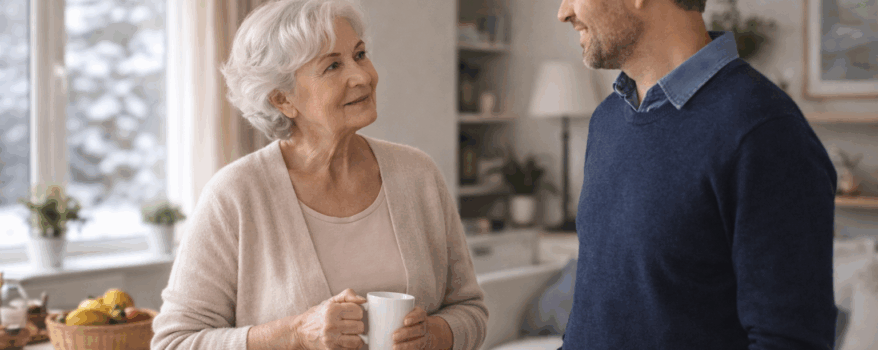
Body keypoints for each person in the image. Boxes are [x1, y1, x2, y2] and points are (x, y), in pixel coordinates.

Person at [150, 1, 488, 349]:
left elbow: (470, 310)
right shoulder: (235, 194)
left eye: (359, 55)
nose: (362, 76)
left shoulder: (418, 175)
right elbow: (174, 342)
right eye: (332, 66)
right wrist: (295, 334)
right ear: (283, 100)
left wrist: (436, 335)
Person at [556, 0, 837, 349]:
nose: (563, 11)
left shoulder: (764, 131)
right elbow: (596, 311)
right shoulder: (607, 120)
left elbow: (790, 340)